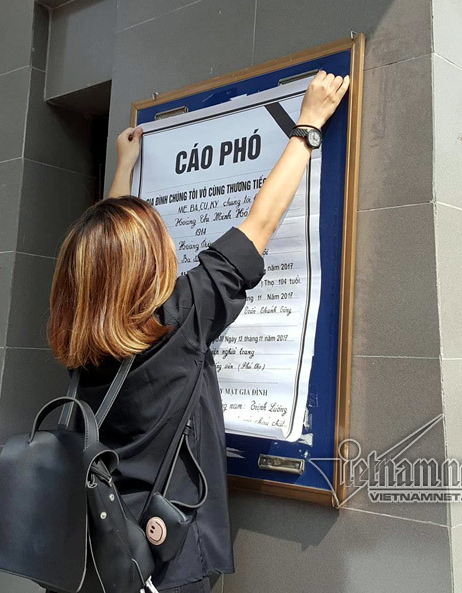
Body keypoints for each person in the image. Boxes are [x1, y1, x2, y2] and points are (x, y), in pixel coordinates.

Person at [46, 70, 350, 593]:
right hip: (163, 563)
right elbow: (259, 226)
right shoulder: (178, 318)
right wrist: (307, 125)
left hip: (95, 553)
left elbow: (103, 262)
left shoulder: (80, 336)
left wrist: (125, 167)